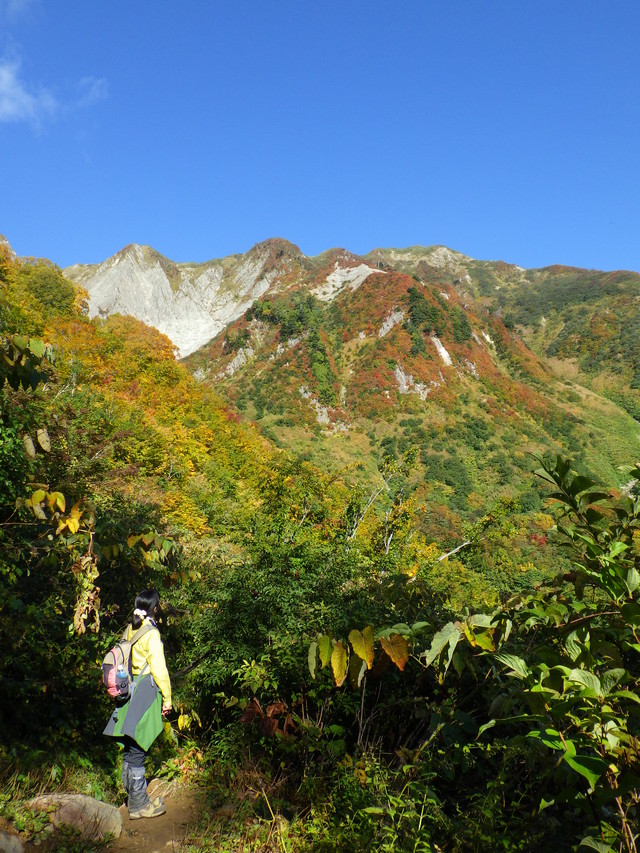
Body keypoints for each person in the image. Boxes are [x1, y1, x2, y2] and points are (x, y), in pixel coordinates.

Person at [103, 589, 172, 819]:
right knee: (139, 747)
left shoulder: (131, 627)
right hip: (145, 690)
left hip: (129, 690)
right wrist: (168, 698)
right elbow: (159, 670)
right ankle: (139, 804)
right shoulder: (151, 634)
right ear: (155, 608)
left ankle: (132, 798)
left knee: (131, 746)